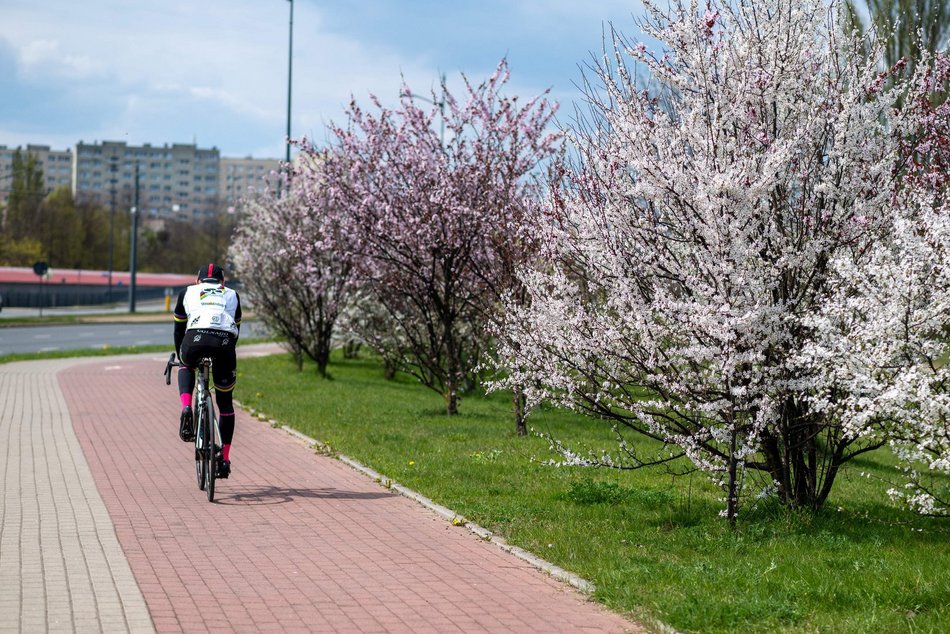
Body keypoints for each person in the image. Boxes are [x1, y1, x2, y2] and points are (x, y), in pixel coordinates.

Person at [173, 263, 242, 478]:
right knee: (225, 404)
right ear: (222, 282)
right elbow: (235, 331)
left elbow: (178, 329)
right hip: (224, 343)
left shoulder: (187, 292)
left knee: (186, 364)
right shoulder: (232, 295)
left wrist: (180, 355)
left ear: (197, 281)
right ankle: (225, 459)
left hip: (194, 338)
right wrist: (227, 355)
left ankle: (186, 407)